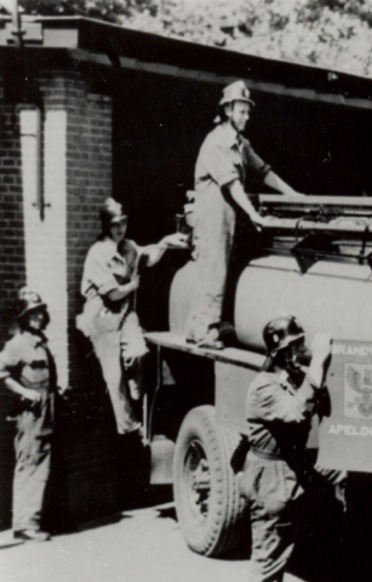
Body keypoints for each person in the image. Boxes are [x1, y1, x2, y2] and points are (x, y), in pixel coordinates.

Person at [239, 316, 331, 582]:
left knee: (278, 552)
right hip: (271, 479)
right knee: (268, 557)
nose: (301, 351)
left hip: (287, 473)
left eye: (301, 345)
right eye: (294, 346)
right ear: (279, 351)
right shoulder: (264, 387)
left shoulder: (285, 379)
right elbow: (296, 413)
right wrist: (318, 362)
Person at [185, 80, 300, 349]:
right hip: (212, 222)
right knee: (213, 273)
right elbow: (232, 184)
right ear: (227, 111)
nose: (246, 117)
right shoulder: (216, 142)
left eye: (248, 112)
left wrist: (294, 195)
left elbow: (263, 171)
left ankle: (197, 328)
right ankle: (204, 333)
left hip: (227, 221)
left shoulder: (240, 143)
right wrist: (254, 214)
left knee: (219, 272)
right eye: (241, 112)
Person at [77, 198, 186, 435]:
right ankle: (128, 425)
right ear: (106, 225)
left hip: (124, 312)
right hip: (102, 315)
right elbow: (113, 293)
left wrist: (164, 242)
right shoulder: (97, 253)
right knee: (114, 376)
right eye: (115, 224)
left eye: (124, 223)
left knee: (138, 352)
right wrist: (133, 286)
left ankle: (135, 388)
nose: (121, 228)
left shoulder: (128, 246)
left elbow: (148, 257)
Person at [1, 288, 57, 542]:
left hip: (47, 410)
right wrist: (24, 392)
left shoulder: (40, 342)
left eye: (40, 312)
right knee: (30, 464)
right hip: (30, 414)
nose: (38, 317)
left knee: (41, 463)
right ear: (23, 317)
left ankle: (33, 521)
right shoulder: (18, 344)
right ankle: (25, 525)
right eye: (32, 313)